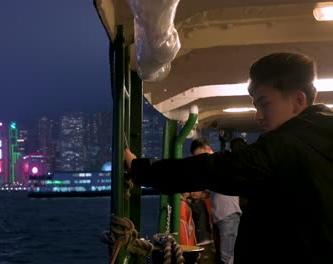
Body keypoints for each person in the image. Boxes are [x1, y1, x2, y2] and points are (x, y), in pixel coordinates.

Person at [124, 52, 333, 263]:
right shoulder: (320, 135)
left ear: (298, 100)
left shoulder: (285, 145)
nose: (258, 116)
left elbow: (213, 169)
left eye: (264, 104)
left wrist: (140, 169)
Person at [190, 138, 242, 264]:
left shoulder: (219, 163)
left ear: (208, 149)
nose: (200, 160)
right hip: (222, 216)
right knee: (224, 255)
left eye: (200, 155)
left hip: (228, 215)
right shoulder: (215, 166)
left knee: (227, 257)